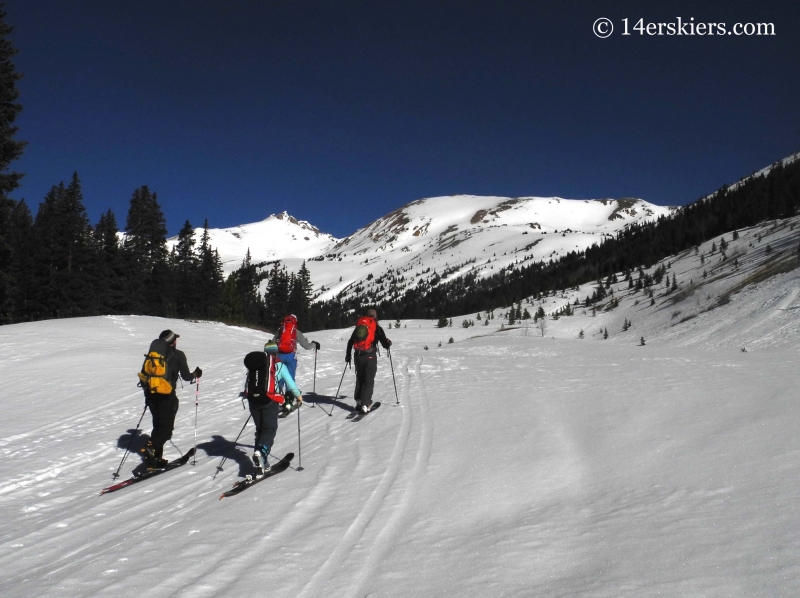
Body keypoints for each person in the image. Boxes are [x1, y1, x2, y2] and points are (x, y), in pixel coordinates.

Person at [141, 330, 202, 468]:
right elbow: (186, 376)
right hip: (166, 395)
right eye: (175, 339)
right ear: (172, 341)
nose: (176, 341)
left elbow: (145, 375)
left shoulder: (152, 356)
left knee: (158, 426)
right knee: (166, 429)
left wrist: (147, 396)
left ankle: (154, 459)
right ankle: (152, 447)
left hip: (151, 394)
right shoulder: (178, 355)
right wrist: (196, 374)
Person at [251, 341, 302, 474]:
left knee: (260, 430)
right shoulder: (279, 365)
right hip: (270, 401)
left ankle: (262, 461)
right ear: (276, 352)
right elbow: (290, 383)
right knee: (270, 429)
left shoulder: (256, 364)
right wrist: (298, 396)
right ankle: (261, 453)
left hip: (253, 402)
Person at [345, 308, 392, 414]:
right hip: (370, 357)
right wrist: (388, 344)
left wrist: (348, 356)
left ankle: (359, 402)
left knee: (360, 379)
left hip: (358, 356)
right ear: (375, 317)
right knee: (369, 380)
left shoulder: (359, 326)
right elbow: (384, 343)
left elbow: (350, 342)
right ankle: (366, 405)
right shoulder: (376, 327)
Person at [271, 314, 320, 414]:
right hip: (291, 357)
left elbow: (272, 343)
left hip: (279, 357)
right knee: (290, 380)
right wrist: (315, 344)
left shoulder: (280, 330)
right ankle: (288, 403)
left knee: (278, 378)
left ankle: (276, 402)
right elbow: (306, 346)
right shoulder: (296, 332)